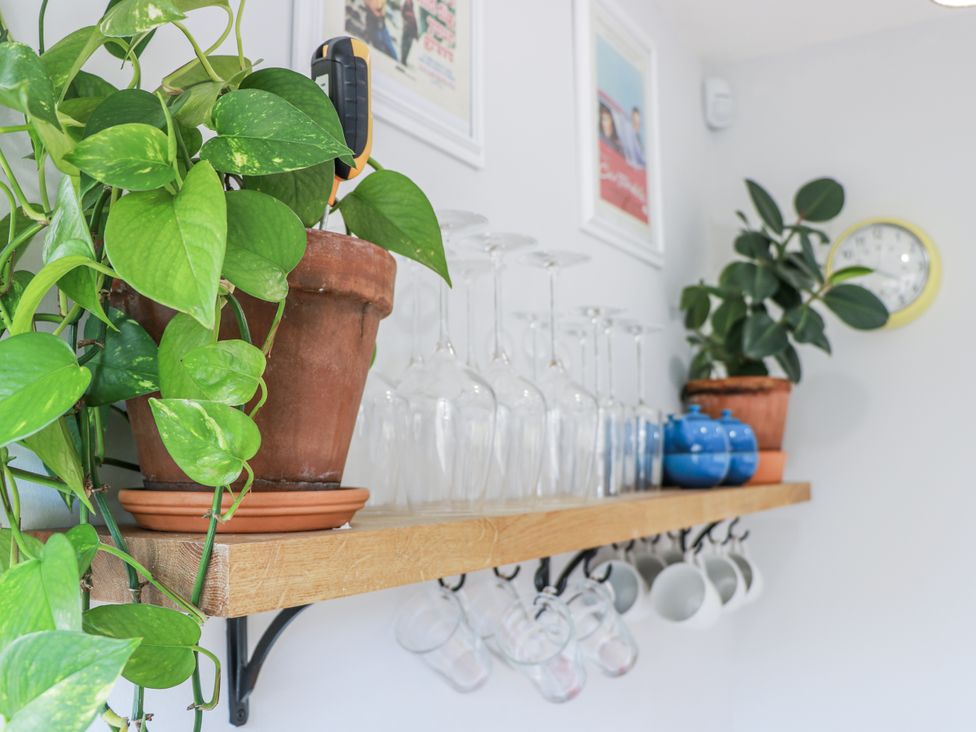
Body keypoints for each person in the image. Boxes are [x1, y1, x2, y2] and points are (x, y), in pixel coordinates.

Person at [401, 0, 419, 66]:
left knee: (407, 45)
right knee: (406, 44)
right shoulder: (408, 2)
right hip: (408, 27)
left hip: (411, 28)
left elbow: (415, 20)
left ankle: (404, 59)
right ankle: (403, 59)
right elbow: (403, 11)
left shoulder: (415, 5)